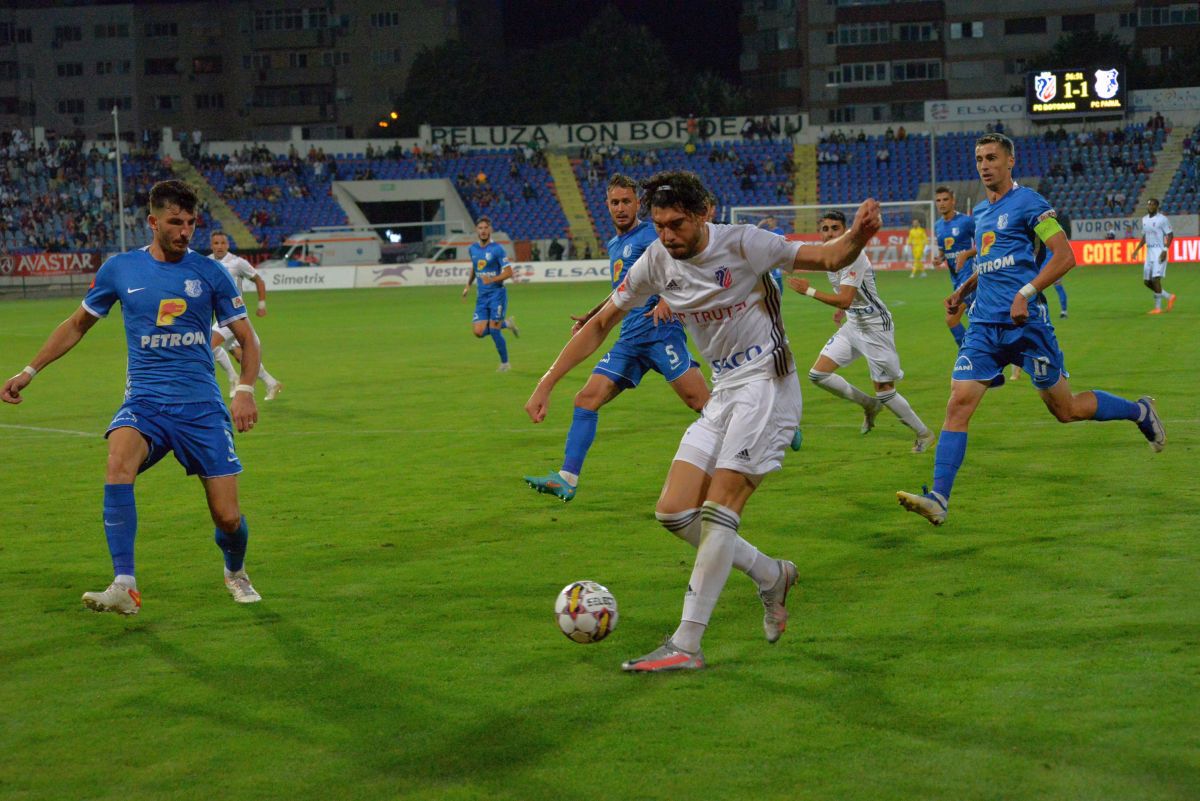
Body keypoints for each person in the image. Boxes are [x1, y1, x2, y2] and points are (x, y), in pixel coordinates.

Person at [525, 170, 882, 672]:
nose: (667, 235)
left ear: (703, 214)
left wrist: (860, 235)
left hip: (769, 384)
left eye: (676, 224)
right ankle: (771, 575)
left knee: (718, 511)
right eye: (660, 225)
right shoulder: (655, 259)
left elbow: (826, 256)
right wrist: (547, 381)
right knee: (673, 511)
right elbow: (602, 321)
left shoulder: (744, 244)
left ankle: (686, 644)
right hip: (724, 392)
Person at [1, 180, 264, 613]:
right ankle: (125, 583)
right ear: (152, 222)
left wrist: (245, 390)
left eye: (191, 223)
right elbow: (76, 325)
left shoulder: (210, 273)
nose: (184, 231)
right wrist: (29, 371)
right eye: (174, 222)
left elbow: (247, 340)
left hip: (200, 408)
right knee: (117, 460)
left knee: (228, 518)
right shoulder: (120, 269)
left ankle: (235, 570)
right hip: (144, 403)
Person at [896, 134, 1166, 526]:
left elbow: (1065, 256)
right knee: (957, 404)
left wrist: (1027, 292)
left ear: (1010, 161)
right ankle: (939, 497)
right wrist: (962, 289)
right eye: (979, 159)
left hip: (1027, 327)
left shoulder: (1030, 204)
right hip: (985, 327)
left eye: (992, 158)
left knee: (1067, 410)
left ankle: (1139, 411)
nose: (984, 165)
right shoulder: (981, 216)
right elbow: (989, 263)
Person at [523, 174, 709, 502]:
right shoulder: (614, 244)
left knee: (700, 402)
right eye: (615, 202)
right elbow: (622, 291)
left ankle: (765, 421)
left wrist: (668, 300)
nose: (621, 208)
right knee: (586, 399)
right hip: (629, 338)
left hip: (659, 332)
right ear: (606, 206)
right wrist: (593, 315)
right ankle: (567, 478)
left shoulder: (651, 235)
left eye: (627, 201)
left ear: (639, 204)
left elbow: (680, 264)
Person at [790, 210, 934, 452]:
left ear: (846, 230)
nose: (829, 234)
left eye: (835, 228)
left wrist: (809, 291)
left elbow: (845, 298)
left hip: (875, 326)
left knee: (886, 392)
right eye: (825, 229)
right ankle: (869, 405)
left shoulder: (853, 255)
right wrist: (841, 310)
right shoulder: (832, 254)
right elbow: (847, 299)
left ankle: (924, 433)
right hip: (853, 324)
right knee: (818, 374)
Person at [208, 231, 283, 400]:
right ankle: (271, 383)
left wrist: (261, 304)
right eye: (216, 243)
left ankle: (233, 378)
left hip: (233, 316)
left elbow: (258, 280)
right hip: (219, 316)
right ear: (211, 245)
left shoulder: (237, 263)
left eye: (222, 243)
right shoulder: (207, 262)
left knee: (207, 346)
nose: (219, 246)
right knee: (241, 355)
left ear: (227, 245)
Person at [461, 216, 518, 371]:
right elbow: (475, 267)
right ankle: (506, 324)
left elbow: (509, 272)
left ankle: (505, 363)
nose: (483, 231)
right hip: (482, 297)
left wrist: (492, 279)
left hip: (497, 295)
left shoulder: (497, 249)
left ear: (490, 230)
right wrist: (468, 285)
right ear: (476, 231)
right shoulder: (472, 249)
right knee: (478, 332)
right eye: (480, 228)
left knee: (493, 330)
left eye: (486, 228)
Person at [933, 186, 976, 347]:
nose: (941, 203)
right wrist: (940, 258)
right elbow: (945, 250)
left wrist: (967, 254)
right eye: (938, 200)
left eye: (945, 199)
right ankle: (976, 355)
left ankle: (969, 355)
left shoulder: (966, 221)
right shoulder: (938, 226)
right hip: (956, 279)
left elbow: (986, 244)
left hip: (970, 278)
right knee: (980, 323)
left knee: (951, 319)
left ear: (953, 201)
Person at [1130, 198, 1176, 315]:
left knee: (1156, 279)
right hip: (1149, 252)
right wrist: (1136, 250)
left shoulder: (1162, 219)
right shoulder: (1144, 219)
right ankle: (1169, 296)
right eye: (1148, 204)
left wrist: (1165, 250)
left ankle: (1158, 308)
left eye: (1152, 204)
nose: (1149, 206)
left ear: (1157, 206)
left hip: (1159, 252)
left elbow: (1170, 235)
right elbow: (1145, 236)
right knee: (1147, 281)